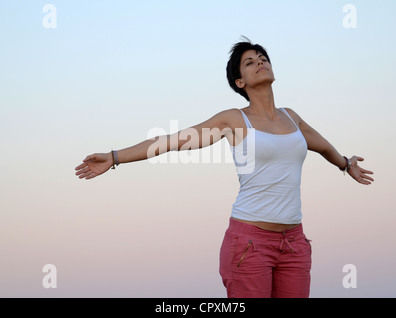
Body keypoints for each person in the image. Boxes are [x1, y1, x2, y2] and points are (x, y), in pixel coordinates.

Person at [75, 38, 374, 298]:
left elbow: (322, 146)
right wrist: (114, 157)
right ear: (239, 82)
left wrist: (346, 164)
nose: (259, 62)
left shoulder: (291, 117)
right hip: (250, 244)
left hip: (294, 244)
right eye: (249, 62)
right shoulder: (234, 120)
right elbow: (170, 141)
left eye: (263, 58)